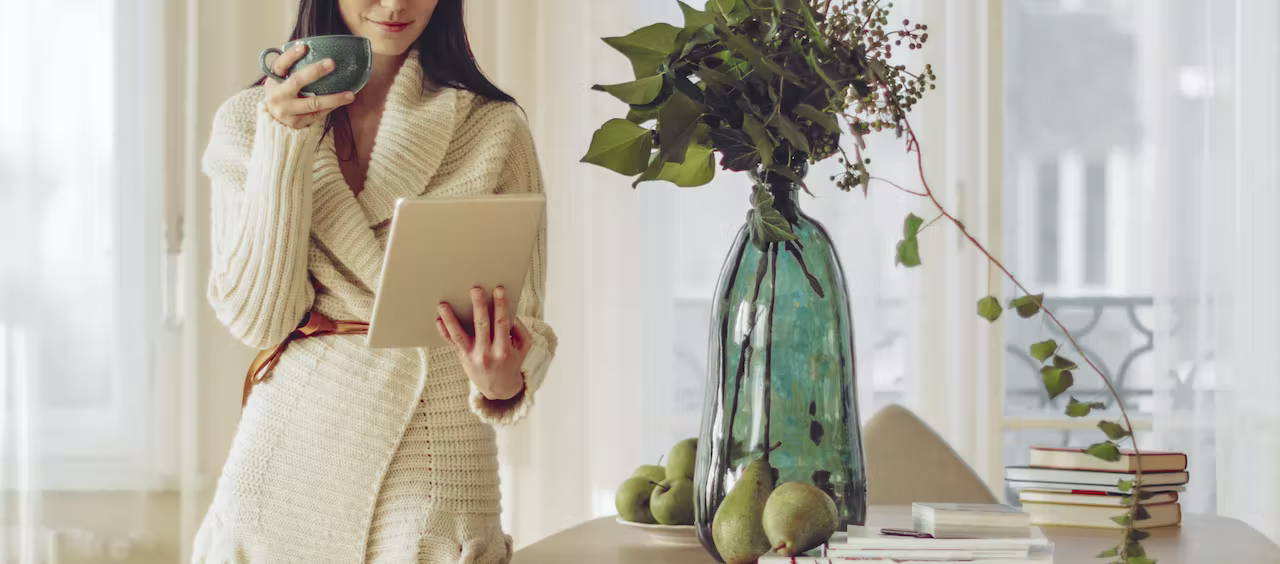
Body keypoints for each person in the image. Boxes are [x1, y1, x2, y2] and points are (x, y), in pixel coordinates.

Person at [191, 0, 556, 561]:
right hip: (291, 454)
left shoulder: (492, 127)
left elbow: (523, 315)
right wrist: (284, 141)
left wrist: (502, 380)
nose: (394, 4)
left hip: (436, 451)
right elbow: (257, 317)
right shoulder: (248, 120)